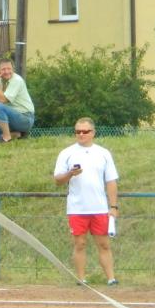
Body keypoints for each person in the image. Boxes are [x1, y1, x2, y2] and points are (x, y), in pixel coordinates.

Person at [53, 117, 119, 286]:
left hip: (99, 208)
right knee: (80, 244)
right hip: (77, 208)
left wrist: (113, 206)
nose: (81, 134)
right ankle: (81, 279)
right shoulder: (66, 153)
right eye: (78, 131)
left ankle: (111, 278)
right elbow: (58, 180)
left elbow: (111, 181)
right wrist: (70, 174)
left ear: (93, 133)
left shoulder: (103, 153)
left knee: (104, 244)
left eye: (85, 131)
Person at [0, 58, 34, 143]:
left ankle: (7, 138)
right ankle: (18, 134)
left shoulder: (17, 80)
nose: (7, 71)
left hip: (25, 118)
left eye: (9, 68)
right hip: (9, 120)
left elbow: (3, 100)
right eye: (3, 69)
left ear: (13, 69)